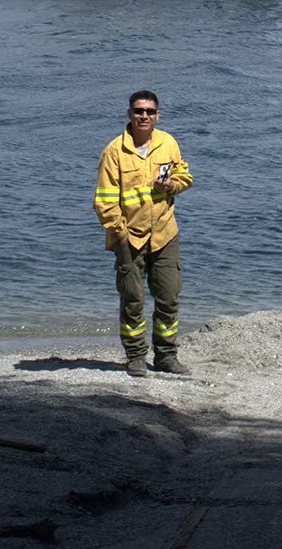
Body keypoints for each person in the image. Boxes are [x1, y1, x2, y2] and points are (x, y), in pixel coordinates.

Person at [93, 90, 193, 376]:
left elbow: (184, 176)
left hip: (165, 233)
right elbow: (104, 201)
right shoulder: (114, 151)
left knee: (169, 297)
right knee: (132, 300)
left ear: (158, 115)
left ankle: (166, 355)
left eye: (150, 111)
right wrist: (120, 235)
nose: (144, 116)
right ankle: (136, 356)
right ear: (129, 114)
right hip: (129, 237)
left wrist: (172, 186)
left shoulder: (168, 143)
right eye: (139, 111)